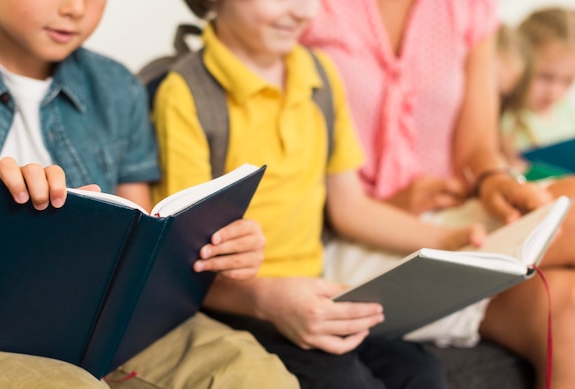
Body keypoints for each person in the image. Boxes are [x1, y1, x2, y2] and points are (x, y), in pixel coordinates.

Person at [0, 1, 299, 388]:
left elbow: (146, 238)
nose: (75, 9)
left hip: (107, 325)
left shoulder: (118, 88)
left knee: (251, 372)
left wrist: (220, 251)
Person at [153, 0, 486, 387]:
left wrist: (449, 239)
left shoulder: (319, 74)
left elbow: (350, 207)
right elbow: (185, 259)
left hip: (316, 290)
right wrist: (269, 297)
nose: (304, 13)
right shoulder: (184, 94)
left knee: (421, 371)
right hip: (238, 304)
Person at [301, 1, 575, 388]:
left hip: (451, 214)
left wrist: (495, 181)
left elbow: (477, 148)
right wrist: (394, 207)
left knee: (567, 307)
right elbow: (302, 191)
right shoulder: (298, 11)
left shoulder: (466, 8)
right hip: (353, 234)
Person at [499, 7, 575, 179]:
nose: (554, 92)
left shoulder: (567, 112)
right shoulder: (507, 121)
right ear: (521, 64)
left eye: (567, 80)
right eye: (545, 77)